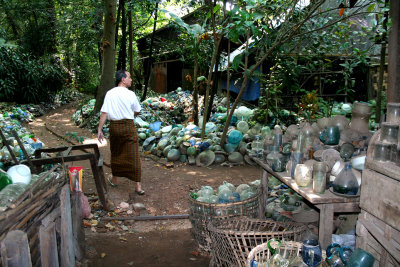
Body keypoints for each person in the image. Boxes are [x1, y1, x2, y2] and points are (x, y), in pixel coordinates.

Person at [97, 70, 144, 195]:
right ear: (123, 79)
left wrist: (99, 129)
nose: (131, 80)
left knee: (116, 153)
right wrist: (130, 114)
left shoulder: (110, 93)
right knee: (134, 154)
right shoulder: (131, 94)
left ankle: (114, 179)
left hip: (115, 127)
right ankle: (138, 186)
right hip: (129, 126)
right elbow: (137, 110)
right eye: (129, 77)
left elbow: (104, 113)